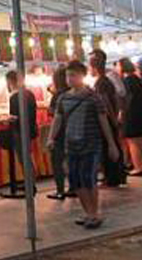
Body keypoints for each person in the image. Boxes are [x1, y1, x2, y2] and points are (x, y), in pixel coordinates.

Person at [47, 61, 120, 229]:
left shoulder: (93, 97)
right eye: (67, 75)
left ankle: (94, 213)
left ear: (82, 76)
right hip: (70, 145)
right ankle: (88, 212)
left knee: (88, 178)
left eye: (73, 75)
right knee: (74, 180)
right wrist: (51, 138)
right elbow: (57, 119)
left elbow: (103, 121)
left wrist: (111, 144)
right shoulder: (63, 98)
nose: (69, 79)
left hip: (91, 144)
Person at [90, 50, 126, 187]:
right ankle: (118, 176)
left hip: (107, 120)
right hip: (111, 119)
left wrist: (113, 119)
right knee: (113, 146)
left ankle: (112, 178)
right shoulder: (106, 80)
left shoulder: (101, 82)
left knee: (108, 148)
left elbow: (106, 104)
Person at [118, 58, 142, 176]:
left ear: (122, 67)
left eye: (118, 65)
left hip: (132, 114)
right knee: (141, 141)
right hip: (141, 113)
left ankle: (138, 167)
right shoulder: (137, 78)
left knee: (133, 141)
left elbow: (127, 99)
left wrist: (122, 112)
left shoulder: (127, 80)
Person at [5, 70, 39, 189]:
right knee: (28, 156)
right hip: (31, 129)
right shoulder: (29, 94)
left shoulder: (15, 97)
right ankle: (31, 182)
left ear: (10, 81)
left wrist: (6, 119)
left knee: (24, 158)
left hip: (20, 131)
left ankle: (30, 184)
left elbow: (14, 117)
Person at [47, 66, 71, 200]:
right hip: (72, 131)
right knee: (70, 161)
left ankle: (60, 190)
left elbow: (52, 113)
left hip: (59, 133)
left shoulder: (58, 95)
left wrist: (51, 137)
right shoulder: (72, 92)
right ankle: (74, 187)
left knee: (57, 161)